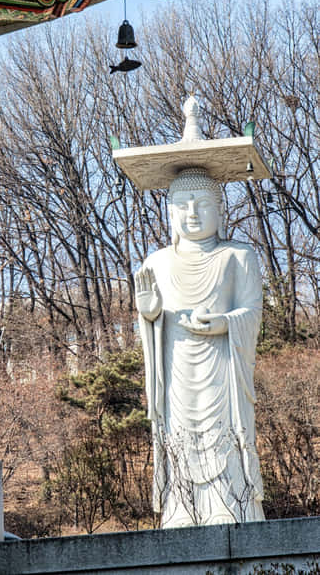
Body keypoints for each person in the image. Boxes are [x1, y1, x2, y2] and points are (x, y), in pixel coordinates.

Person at [135, 167, 265, 528]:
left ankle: (230, 501)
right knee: (179, 434)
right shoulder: (157, 263)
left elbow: (252, 311)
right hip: (176, 369)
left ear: (220, 211)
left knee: (222, 434)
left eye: (203, 204)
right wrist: (150, 316)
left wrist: (226, 323)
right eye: (182, 205)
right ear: (170, 212)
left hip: (222, 365)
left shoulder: (238, 256)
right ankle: (181, 508)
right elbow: (147, 325)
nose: (192, 213)